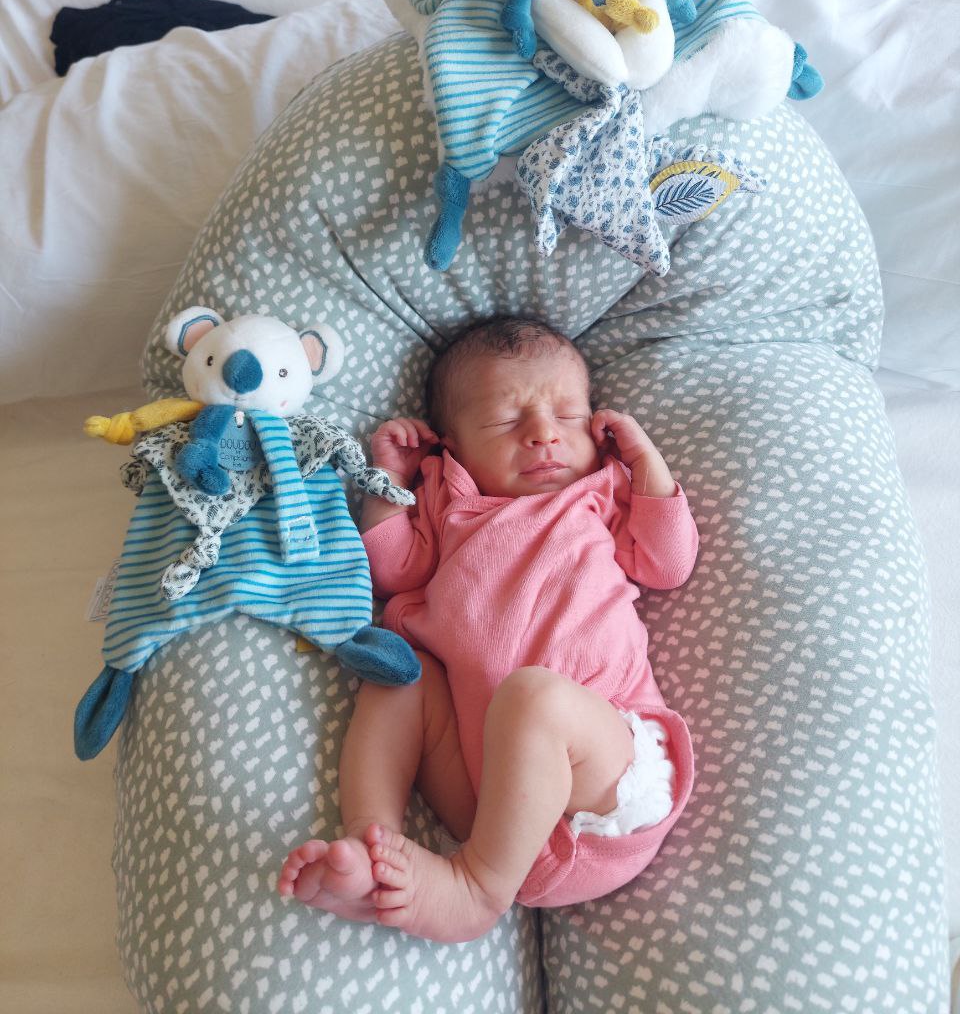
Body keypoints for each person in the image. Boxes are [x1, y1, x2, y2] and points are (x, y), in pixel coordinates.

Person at [278, 315, 698, 942]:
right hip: (488, 800)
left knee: (534, 694)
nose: (543, 434)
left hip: (603, 782)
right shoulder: (444, 495)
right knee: (399, 672)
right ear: (451, 445)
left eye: (568, 415)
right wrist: (389, 481)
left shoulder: (597, 491)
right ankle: (374, 849)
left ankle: (475, 892)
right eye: (506, 421)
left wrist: (645, 464)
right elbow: (391, 569)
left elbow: (668, 564)